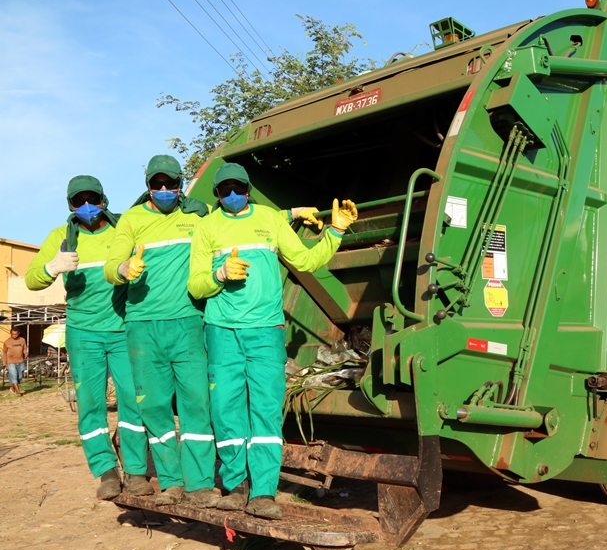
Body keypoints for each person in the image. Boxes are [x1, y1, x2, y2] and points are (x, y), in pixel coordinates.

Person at [188, 162, 357, 520]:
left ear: (248, 189)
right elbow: (196, 285)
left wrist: (336, 232)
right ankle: (235, 487)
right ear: (217, 195)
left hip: (266, 331)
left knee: (265, 409)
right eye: (224, 190)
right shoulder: (207, 227)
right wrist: (218, 274)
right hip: (221, 331)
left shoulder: (271, 220)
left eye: (237, 188)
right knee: (226, 410)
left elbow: (305, 261)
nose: (231, 195)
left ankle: (263, 492)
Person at [24, 175, 153, 499]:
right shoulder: (61, 237)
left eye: (92, 199)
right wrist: (52, 267)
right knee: (90, 406)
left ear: (103, 200)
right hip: (83, 334)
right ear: (70, 205)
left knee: (133, 403)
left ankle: (137, 472)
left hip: (123, 330)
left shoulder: (123, 229)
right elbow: (31, 280)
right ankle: (106, 472)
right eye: (77, 201)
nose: (86, 206)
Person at [104, 155, 219, 508]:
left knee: (196, 404)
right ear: (148, 186)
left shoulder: (198, 216)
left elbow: (237, 224)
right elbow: (110, 267)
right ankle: (171, 480)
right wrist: (123, 268)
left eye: (170, 183)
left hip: (188, 323)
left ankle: (200, 483)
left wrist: (287, 215)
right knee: (153, 406)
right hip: (142, 327)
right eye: (158, 184)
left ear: (181, 184)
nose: (165, 190)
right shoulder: (132, 219)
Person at [2, 328, 27, 397]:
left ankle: (12, 388)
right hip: (11, 362)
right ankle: (18, 392)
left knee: (19, 377)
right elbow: (4, 353)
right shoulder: (7, 342)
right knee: (14, 376)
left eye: (16, 334)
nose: (14, 336)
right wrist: (5, 363)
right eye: (13, 334)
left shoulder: (22, 340)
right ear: (10, 333)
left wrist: (25, 353)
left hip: (20, 361)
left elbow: (24, 348)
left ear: (18, 333)